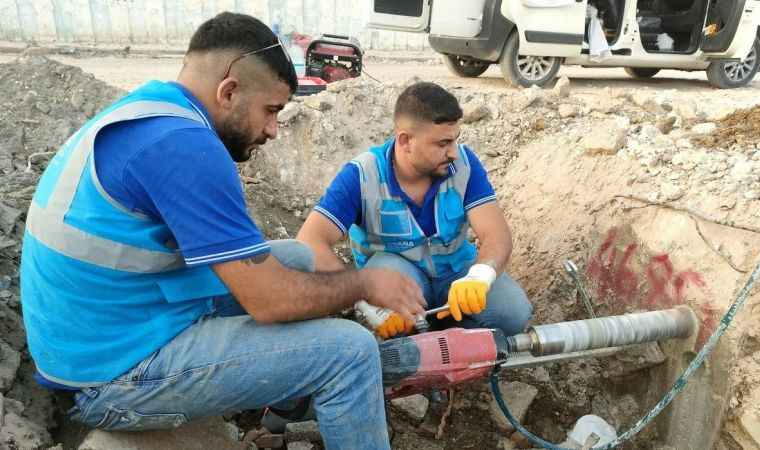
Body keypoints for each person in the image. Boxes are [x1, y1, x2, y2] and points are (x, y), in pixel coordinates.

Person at [19, 12, 426, 450]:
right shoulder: (186, 148)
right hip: (110, 377)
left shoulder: (150, 112)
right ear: (229, 91)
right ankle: (325, 382)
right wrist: (365, 282)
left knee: (298, 258)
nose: (272, 129)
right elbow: (270, 302)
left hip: (100, 329)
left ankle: (288, 403)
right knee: (350, 352)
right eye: (270, 111)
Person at [297, 82, 532, 339]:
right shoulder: (362, 175)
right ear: (405, 141)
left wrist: (479, 276)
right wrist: (361, 297)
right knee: (390, 319)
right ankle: (411, 342)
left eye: (455, 140)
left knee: (513, 312)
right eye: (442, 143)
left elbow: (496, 234)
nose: (453, 152)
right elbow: (310, 240)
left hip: (455, 270)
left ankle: (446, 335)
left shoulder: (463, 165)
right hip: (393, 277)